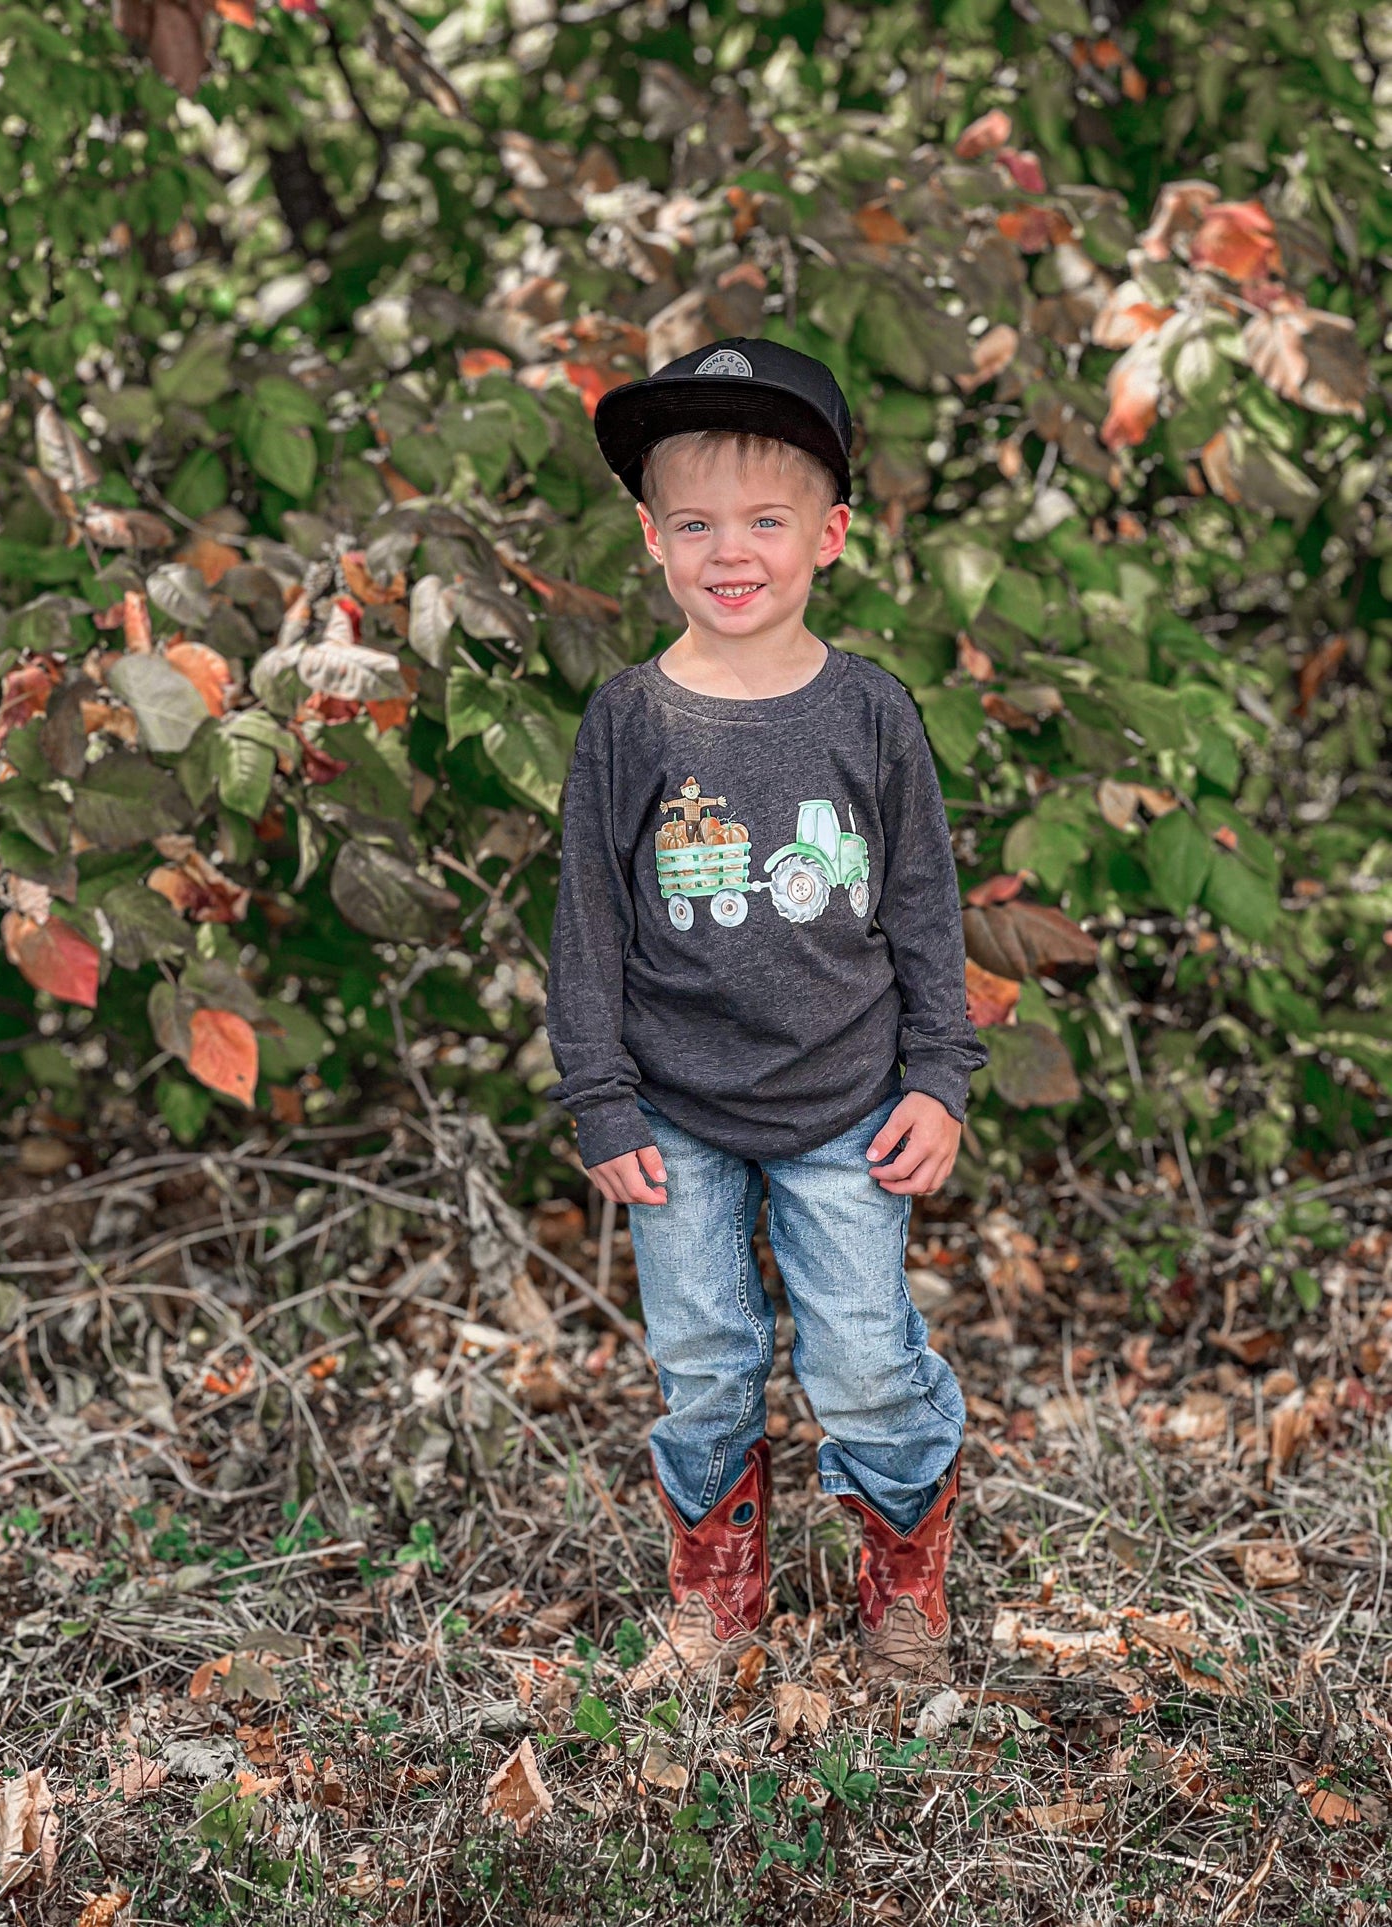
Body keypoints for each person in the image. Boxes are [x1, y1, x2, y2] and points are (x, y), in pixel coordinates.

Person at [545, 337, 988, 1691]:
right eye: (693, 523)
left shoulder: (868, 711)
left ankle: (905, 1579)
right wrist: (600, 1097)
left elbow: (919, 906)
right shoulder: (628, 721)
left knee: (860, 1355)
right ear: (651, 539)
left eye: (763, 521)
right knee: (702, 1358)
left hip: (847, 1105)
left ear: (829, 534)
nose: (727, 552)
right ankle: (714, 1595)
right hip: (672, 1114)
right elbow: (587, 922)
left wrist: (939, 1075)